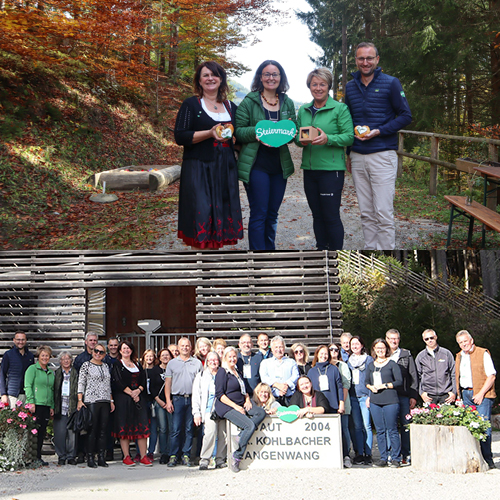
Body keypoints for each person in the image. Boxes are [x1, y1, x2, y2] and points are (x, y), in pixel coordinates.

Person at [345, 42, 412, 250]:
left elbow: (406, 116)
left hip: (382, 154)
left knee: (383, 211)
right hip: (357, 155)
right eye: (361, 58)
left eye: (369, 58)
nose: (365, 62)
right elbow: (348, 121)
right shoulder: (349, 87)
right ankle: (370, 250)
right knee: (366, 211)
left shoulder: (391, 83)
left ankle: (387, 254)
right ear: (356, 60)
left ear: (377, 60)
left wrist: (380, 131)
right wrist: (348, 154)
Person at [174, 60, 243, 249]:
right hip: (198, 167)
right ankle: (201, 266)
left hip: (225, 168)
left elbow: (240, 137)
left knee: (221, 212)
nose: (210, 78)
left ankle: (211, 263)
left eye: (214, 75)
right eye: (205, 75)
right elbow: (180, 136)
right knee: (202, 211)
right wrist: (209, 133)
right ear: (199, 81)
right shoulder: (191, 105)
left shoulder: (231, 107)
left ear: (221, 80)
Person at [235, 60, 296, 250]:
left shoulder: (287, 102)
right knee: (259, 213)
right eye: (267, 74)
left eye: (275, 74)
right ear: (260, 77)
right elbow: (238, 131)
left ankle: (270, 254)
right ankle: (257, 259)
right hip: (256, 165)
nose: (271, 78)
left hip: (279, 166)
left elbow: (291, 132)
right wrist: (259, 132)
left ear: (281, 77)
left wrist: (290, 135)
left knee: (272, 214)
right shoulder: (249, 101)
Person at [296, 68, 354, 250]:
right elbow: (297, 138)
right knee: (317, 215)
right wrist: (301, 142)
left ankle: (335, 253)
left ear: (328, 86)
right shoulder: (304, 110)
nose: (318, 88)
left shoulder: (340, 108)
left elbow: (349, 137)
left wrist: (329, 138)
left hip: (331, 171)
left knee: (330, 216)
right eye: (314, 84)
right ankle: (321, 251)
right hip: (310, 170)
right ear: (309, 86)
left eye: (322, 84)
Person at [215, 347, 266, 472]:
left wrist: (247, 400)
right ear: (225, 358)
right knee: (249, 426)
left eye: (234, 356)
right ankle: (236, 457)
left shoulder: (237, 371)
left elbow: (244, 390)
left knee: (261, 412)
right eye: (230, 357)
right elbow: (220, 395)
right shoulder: (222, 371)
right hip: (227, 407)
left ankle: (240, 437)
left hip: (242, 403)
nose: (232, 359)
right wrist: (236, 407)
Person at [455, 330, 496, 469]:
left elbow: (491, 376)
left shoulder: (482, 353)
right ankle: (474, 458)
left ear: (471, 340)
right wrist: (459, 397)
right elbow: (458, 377)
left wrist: (481, 393)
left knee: (484, 426)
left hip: (482, 395)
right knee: (469, 426)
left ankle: (487, 459)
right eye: (460, 342)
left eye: (465, 341)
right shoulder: (459, 356)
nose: (463, 344)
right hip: (466, 394)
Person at [112, 341, 152, 467]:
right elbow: (118, 381)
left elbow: (143, 381)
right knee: (125, 427)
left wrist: (138, 391)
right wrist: (131, 393)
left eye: (128, 348)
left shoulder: (137, 364)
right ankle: (126, 456)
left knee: (142, 427)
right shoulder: (117, 365)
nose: (126, 350)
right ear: (120, 350)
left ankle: (143, 456)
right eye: (124, 348)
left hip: (138, 399)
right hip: (123, 399)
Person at [164, 337, 203, 467]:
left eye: (187, 346)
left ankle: (186, 455)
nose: (185, 348)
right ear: (178, 348)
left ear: (191, 347)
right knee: (175, 429)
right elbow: (167, 384)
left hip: (192, 399)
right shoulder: (172, 363)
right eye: (182, 346)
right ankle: (173, 455)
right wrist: (168, 401)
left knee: (189, 429)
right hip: (177, 399)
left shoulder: (197, 363)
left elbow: (201, 384)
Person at [366, 339, 403, 468]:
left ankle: (395, 458)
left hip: (390, 400)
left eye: (382, 348)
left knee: (392, 429)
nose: (380, 350)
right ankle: (383, 457)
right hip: (375, 401)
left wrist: (385, 385)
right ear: (374, 349)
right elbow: (366, 381)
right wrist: (371, 387)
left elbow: (399, 381)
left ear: (386, 349)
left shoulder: (392, 364)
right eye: (377, 348)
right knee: (380, 430)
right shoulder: (371, 365)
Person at [78, 343, 115, 468]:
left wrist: (111, 400)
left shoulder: (105, 366)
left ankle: (101, 456)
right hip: (91, 400)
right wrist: (80, 399)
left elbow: (108, 385)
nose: (98, 354)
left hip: (104, 400)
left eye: (101, 352)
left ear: (105, 354)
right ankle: (90, 456)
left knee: (103, 430)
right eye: (96, 351)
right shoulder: (86, 365)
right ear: (92, 352)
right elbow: (81, 382)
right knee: (92, 429)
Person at [385, 328, 418, 465]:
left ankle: (406, 453)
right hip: (387, 396)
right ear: (386, 339)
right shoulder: (382, 354)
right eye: (391, 338)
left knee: (405, 425)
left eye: (396, 338)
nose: (394, 341)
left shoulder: (406, 354)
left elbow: (414, 376)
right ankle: (391, 453)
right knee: (390, 426)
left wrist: (413, 395)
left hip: (404, 395)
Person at [192, 351, 227, 470]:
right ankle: (205, 459)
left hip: (223, 410)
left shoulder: (224, 373)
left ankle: (220, 459)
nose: (213, 362)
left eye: (215, 359)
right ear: (207, 362)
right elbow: (196, 395)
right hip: (208, 410)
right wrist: (196, 413)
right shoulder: (201, 375)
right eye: (210, 360)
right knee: (210, 434)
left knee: (223, 435)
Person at [24, 345, 55, 466]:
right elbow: (28, 386)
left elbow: (52, 390)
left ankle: (38, 457)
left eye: (47, 355)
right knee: (33, 432)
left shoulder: (51, 373)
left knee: (42, 432)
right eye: (42, 355)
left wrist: (51, 406)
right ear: (38, 356)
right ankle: (29, 458)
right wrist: (31, 401)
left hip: (46, 406)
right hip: (35, 405)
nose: (45, 357)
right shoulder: (32, 369)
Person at [347, 335, 373, 465]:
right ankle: (359, 453)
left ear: (362, 345)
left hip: (365, 397)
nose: (355, 346)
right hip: (353, 397)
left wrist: (370, 396)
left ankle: (368, 453)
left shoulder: (368, 360)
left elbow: (372, 377)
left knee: (367, 425)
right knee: (357, 426)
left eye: (357, 343)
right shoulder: (348, 361)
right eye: (353, 344)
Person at [415, 329, 456, 405]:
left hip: (446, 395)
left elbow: (454, 373)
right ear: (424, 340)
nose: (429, 340)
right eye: (426, 339)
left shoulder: (446, 354)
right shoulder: (421, 357)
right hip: (428, 395)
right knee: (430, 417)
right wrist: (421, 393)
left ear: (436, 337)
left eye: (431, 338)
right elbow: (417, 376)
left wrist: (454, 392)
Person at [329, 342, 353, 468]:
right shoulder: (325, 365)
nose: (333, 352)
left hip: (342, 402)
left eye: (336, 350)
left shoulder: (342, 366)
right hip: (329, 403)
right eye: (331, 349)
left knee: (344, 429)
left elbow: (345, 385)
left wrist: (341, 403)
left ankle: (346, 455)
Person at [53, 351, 78, 466]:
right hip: (60, 406)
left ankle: (71, 456)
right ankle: (61, 456)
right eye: (63, 359)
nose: (66, 360)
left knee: (72, 434)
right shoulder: (57, 373)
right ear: (60, 361)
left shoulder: (75, 373)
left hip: (72, 406)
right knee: (60, 433)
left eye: (68, 358)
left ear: (71, 360)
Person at [259, 336, 299, 405]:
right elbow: (264, 378)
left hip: (290, 396)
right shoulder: (265, 363)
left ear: (284, 348)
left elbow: (295, 376)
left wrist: (286, 385)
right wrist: (277, 385)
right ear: (271, 349)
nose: (278, 349)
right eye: (276, 347)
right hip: (272, 398)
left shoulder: (291, 362)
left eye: (281, 347)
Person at [150, 348, 173, 464]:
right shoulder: (155, 370)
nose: (165, 357)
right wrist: (159, 400)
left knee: (172, 428)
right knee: (163, 429)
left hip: (171, 402)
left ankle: (171, 452)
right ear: (159, 358)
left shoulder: (174, 369)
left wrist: (170, 401)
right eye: (163, 355)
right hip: (160, 403)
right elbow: (152, 388)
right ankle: (164, 453)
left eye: (167, 355)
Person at [0, 331, 34, 409]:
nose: (20, 342)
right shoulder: (8, 355)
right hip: (12, 395)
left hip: (26, 395)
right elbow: (2, 374)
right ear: (14, 340)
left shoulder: (30, 356)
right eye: (18, 340)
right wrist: (3, 394)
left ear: (26, 341)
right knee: (10, 419)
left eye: (23, 340)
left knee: (26, 420)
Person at [309, 345, 344, 414]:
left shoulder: (334, 369)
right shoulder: (311, 371)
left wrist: (341, 403)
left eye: (326, 354)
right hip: (317, 407)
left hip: (332, 406)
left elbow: (339, 387)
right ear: (317, 355)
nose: (324, 356)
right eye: (321, 354)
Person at [141, 349, 158, 461]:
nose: (149, 358)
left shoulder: (156, 370)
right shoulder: (140, 370)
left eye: (151, 356)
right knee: (141, 428)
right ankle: (140, 452)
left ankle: (151, 451)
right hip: (142, 401)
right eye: (147, 356)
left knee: (153, 428)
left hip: (153, 401)